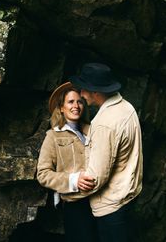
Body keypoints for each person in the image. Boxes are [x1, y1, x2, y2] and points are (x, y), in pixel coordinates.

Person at [67, 62, 143, 242]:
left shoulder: (104, 123)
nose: (81, 95)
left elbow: (96, 178)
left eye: (84, 90)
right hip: (128, 195)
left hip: (111, 207)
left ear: (95, 92)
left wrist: (67, 193)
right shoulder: (126, 107)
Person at [36, 82, 99, 242]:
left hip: (101, 200)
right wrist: (74, 180)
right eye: (70, 102)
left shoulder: (94, 130)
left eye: (79, 101)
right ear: (61, 108)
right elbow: (43, 174)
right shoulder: (53, 136)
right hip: (76, 205)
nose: (76, 106)